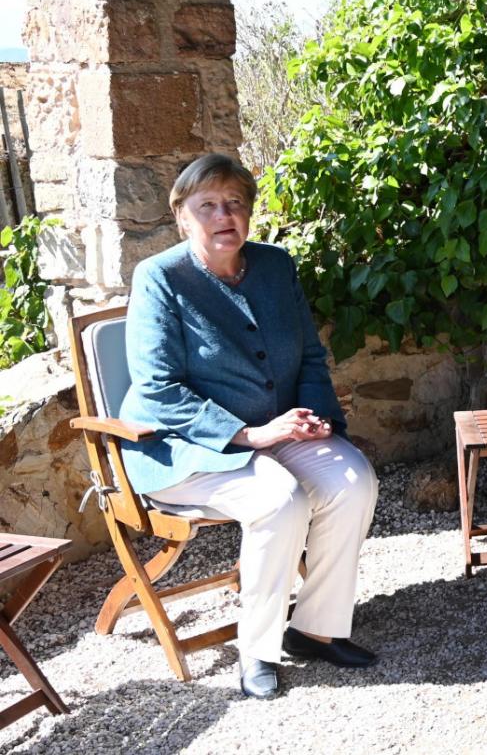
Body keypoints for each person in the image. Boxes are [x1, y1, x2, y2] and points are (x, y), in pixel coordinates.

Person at [119, 153, 380, 699]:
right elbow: (157, 388)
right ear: (182, 216)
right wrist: (248, 435)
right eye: (208, 204)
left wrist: (316, 417)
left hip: (277, 432)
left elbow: (309, 354)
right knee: (281, 501)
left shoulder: (276, 265)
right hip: (185, 448)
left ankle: (315, 629)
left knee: (353, 482)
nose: (224, 215)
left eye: (235, 202)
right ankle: (257, 651)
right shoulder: (160, 278)